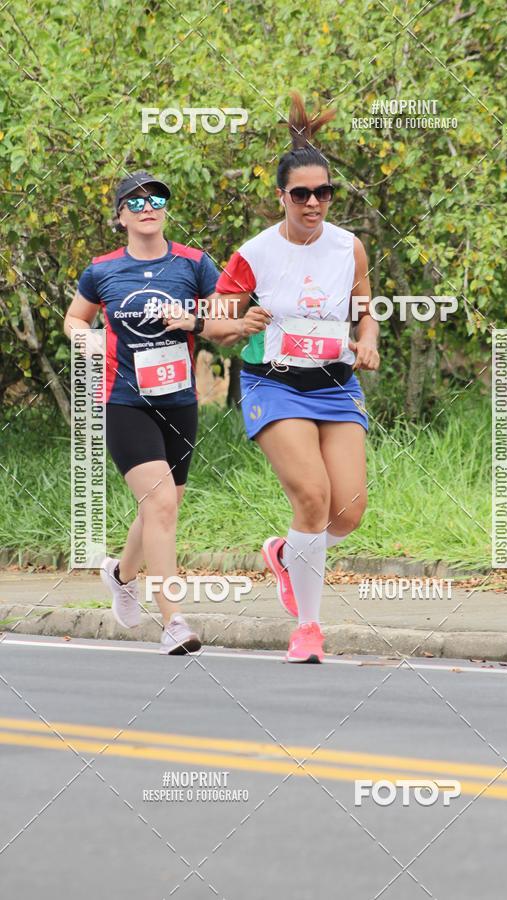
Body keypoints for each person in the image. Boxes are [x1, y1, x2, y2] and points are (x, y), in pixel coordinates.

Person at [208, 92, 380, 663]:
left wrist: (369, 340)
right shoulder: (253, 253)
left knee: (347, 510)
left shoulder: (347, 247)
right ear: (281, 196)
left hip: (333, 383)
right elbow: (214, 323)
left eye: (324, 193)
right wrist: (241, 320)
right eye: (301, 194)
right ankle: (308, 628)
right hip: (273, 382)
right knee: (313, 496)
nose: (314, 203)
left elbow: (364, 306)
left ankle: (288, 554)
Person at [64, 170, 220, 654]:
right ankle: (174, 621)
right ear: (119, 216)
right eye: (135, 202)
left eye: (156, 198)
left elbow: (225, 319)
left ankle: (120, 573)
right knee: (161, 505)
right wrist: (85, 342)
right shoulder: (102, 270)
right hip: (124, 401)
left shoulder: (194, 264)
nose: (147, 206)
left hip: (179, 400)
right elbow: (76, 317)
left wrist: (192, 319)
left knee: (162, 504)